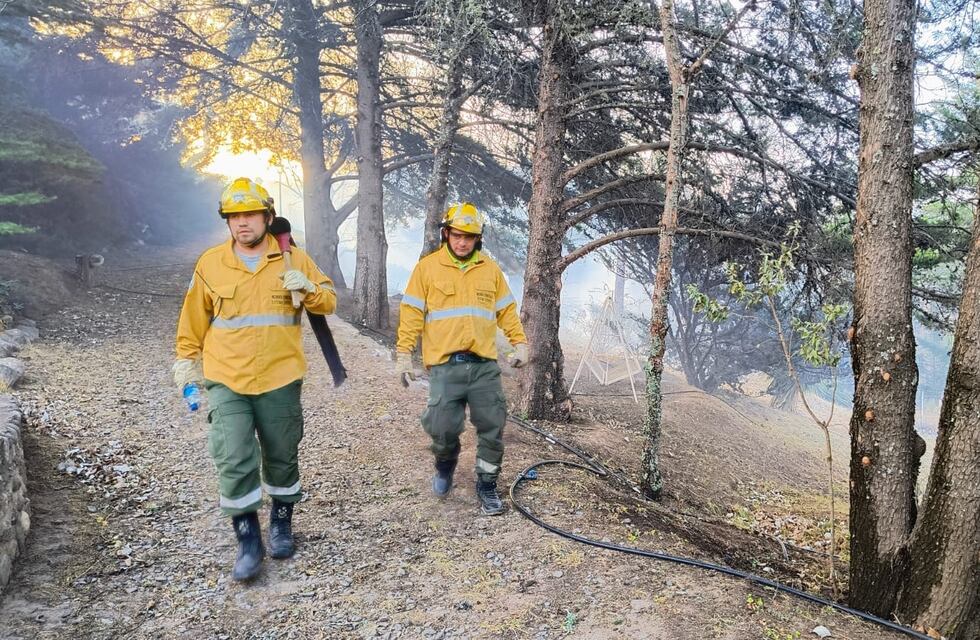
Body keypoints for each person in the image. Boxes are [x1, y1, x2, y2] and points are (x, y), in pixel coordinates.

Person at [172, 177, 336, 581]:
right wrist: (185, 361)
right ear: (227, 221)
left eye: (250, 215)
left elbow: (329, 300)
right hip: (227, 378)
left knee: (282, 453)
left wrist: (310, 287)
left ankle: (281, 520)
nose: (242, 223)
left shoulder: (292, 258)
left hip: (280, 376)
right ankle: (247, 537)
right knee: (232, 456)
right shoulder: (210, 263)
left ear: (267, 216)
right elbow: (193, 319)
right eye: (234, 216)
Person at [395, 203, 529, 515]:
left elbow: (507, 311)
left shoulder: (490, 270)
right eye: (457, 235)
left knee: (492, 427)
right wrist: (404, 354)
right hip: (445, 366)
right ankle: (445, 462)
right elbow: (412, 312)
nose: (462, 242)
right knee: (441, 427)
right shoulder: (427, 268)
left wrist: (519, 343)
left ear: (477, 239)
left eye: (469, 237)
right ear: (446, 234)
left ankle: (486, 484)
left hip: (483, 366)